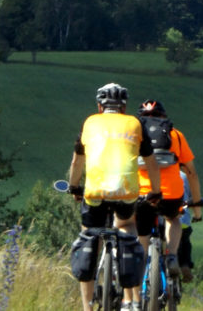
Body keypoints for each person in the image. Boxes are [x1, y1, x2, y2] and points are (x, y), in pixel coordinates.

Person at [68, 83, 162, 311]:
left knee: (89, 234)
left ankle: (87, 307)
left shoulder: (90, 123)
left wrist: (74, 187)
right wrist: (156, 192)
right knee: (127, 225)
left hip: (95, 192)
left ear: (99, 106)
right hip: (126, 191)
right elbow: (151, 163)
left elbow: (77, 161)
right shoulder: (134, 124)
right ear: (125, 106)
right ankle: (130, 297)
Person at [130, 99, 203, 303]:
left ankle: (140, 268)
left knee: (141, 235)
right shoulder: (176, 135)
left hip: (141, 193)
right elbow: (192, 174)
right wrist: (197, 207)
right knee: (173, 219)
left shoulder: (133, 136)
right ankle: (171, 255)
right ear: (164, 117)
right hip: (170, 194)